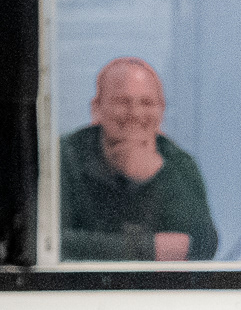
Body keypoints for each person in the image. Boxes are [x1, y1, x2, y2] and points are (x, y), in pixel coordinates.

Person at [60, 58, 217, 262]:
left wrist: (156, 176)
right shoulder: (63, 157)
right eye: (122, 102)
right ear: (96, 108)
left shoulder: (178, 163)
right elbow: (50, 242)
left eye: (147, 103)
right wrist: (147, 248)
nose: (135, 113)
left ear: (161, 110)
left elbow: (203, 243)